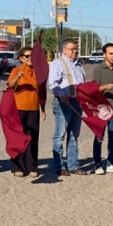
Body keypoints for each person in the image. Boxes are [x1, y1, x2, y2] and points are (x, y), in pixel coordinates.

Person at [6, 46, 46, 178]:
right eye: (27, 56)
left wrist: (43, 109)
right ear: (21, 58)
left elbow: (42, 92)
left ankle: (32, 166)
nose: (30, 59)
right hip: (18, 109)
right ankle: (17, 166)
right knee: (18, 138)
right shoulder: (16, 70)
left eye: (31, 56)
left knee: (32, 138)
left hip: (33, 109)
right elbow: (10, 85)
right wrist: (17, 77)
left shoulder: (37, 72)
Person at [48, 39, 86, 176]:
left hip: (78, 102)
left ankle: (73, 165)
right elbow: (52, 83)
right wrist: (60, 94)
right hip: (64, 102)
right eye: (72, 49)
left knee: (74, 135)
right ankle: (59, 166)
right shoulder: (58, 64)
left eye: (76, 49)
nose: (75, 51)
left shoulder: (79, 65)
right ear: (64, 50)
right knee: (60, 135)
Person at [92, 42, 113, 175]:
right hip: (102, 110)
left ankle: (111, 163)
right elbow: (93, 90)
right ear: (104, 54)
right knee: (99, 137)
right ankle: (97, 164)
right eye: (110, 53)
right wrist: (104, 87)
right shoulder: (98, 70)